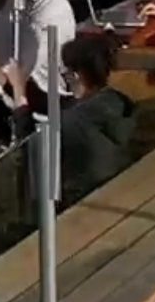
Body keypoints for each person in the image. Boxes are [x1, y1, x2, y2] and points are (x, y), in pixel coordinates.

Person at [55, 35, 138, 199]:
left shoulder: (76, 119)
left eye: (65, 71)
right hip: (120, 192)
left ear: (76, 74)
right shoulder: (120, 103)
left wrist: (18, 91)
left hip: (81, 202)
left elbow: (36, 148)